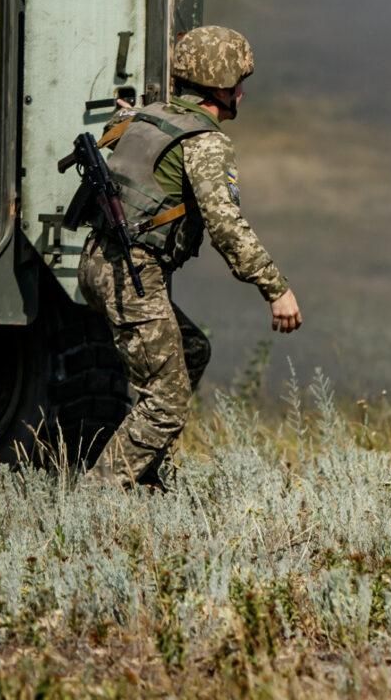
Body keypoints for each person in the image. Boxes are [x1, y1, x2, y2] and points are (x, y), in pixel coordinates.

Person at [81, 25, 302, 488]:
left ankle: (145, 475)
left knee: (192, 349)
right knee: (166, 400)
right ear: (218, 86)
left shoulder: (148, 116)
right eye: (237, 83)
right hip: (133, 273)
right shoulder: (204, 142)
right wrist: (275, 289)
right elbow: (225, 225)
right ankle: (97, 497)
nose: (242, 93)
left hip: (101, 262)